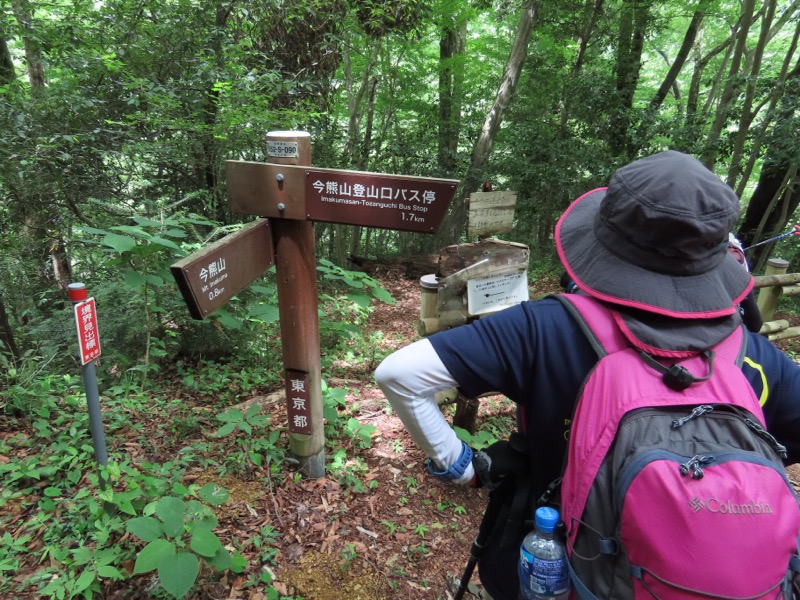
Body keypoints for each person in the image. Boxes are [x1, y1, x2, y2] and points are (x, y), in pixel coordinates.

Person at [374, 150, 800, 600]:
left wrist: (462, 466)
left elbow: (400, 374)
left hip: (556, 568)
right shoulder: (752, 355)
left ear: (605, 238)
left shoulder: (544, 327)